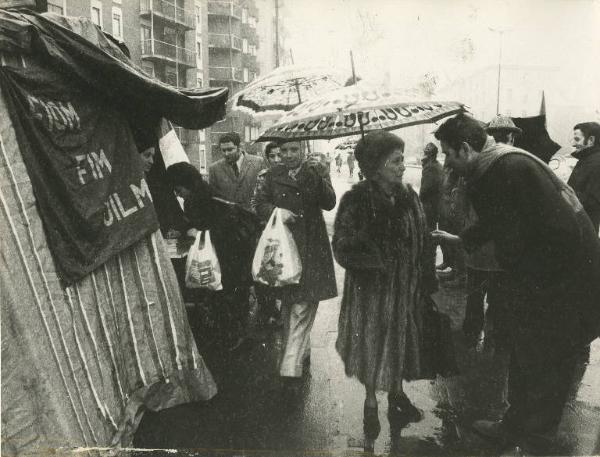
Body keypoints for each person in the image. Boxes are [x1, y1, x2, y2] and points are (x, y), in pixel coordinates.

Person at [432, 114, 600, 454]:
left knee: (547, 356)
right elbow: (498, 220)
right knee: (525, 351)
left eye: (448, 153)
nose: (446, 161)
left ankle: (537, 439)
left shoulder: (505, 170)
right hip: (547, 276)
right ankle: (515, 425)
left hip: (562, 281)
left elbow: (547, 233)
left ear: (465, 149)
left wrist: (529, 283)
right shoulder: (498, 167)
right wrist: (462, 238)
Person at [333, 131, 437, 441]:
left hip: (405, 284)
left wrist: (423, 274)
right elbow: (341, 246)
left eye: (403, 159)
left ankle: (396, 394)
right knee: (371, 341)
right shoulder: (356, 199)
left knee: (401, 339)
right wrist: (368, 235)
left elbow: (421, 235)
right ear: (376, 166)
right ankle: (370, 400)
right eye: (396, 160)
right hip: (371, 289)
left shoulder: (409, 195)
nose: (403, 166)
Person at [254, 140, 338, 397]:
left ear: (302, 149)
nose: (289, 155)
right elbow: (259, 204)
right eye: (283, 152)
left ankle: (290, 369)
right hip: (285, 248)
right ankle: (303, 350)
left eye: (294, 150)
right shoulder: (270, 175)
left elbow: (329, 203)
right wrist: (277, 211)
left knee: (302, 305)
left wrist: (323, 174)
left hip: (312, 248)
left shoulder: (313, 171)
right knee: (292, 304)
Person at [166, 162, 260, 351]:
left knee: (226, 295)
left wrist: (197, 232)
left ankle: (234, 337)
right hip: (226, 255)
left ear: (187, 183)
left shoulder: (207, 198)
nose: (178, 194)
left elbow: (223, 228)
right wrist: (186, 230)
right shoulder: (200, 196)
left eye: (178, 189)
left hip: (229, 256)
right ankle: (232, 335)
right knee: (224, 295)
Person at [251, 141, 283, 328]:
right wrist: (277, 212)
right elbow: (256, 204)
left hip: (291, 231)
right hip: (269, 231)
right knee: (268, 271)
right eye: (273, 156)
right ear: (267, 158)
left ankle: (284, 309)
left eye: (280, 154)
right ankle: (270, 310)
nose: (277, 159)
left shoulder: (295, 176)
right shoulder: (264, 177)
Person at [208, 132, 265, 210]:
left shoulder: (258, 163)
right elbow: (214, 199)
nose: (226, 154)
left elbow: (264, 193)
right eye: (223, 150)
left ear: (239, 147)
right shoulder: (214, 169)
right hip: (229, 219)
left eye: (230, 149)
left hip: (253, 217)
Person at [568, 122, 600, 233]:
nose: (573, 144)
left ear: (591, 140)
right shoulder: (587, 160)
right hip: (581, 227)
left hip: (584, 230)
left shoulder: (596, 162)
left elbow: (592, 200)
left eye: (577, 139)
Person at [419, 142, 443, 231]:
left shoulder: (430, 168)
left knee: (427, 231)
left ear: (429, 154)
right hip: (437, 205)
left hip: (429, 207)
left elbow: (424, 191)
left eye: (425, 153)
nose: (423, 156)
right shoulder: (438, 165)